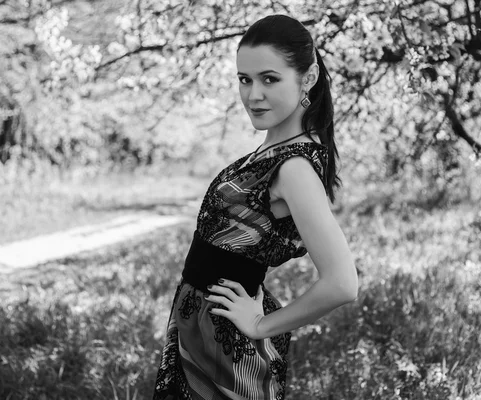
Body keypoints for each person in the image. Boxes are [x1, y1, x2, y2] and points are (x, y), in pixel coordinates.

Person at [153, 14, 358, 400]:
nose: (253, 96)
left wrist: (262, 325)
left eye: (269, 79)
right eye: (244, 80)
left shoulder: (294, 167)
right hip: (199, 329)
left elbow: (343, 283)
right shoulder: (272, 149)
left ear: (308, 77)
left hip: (225, 348)